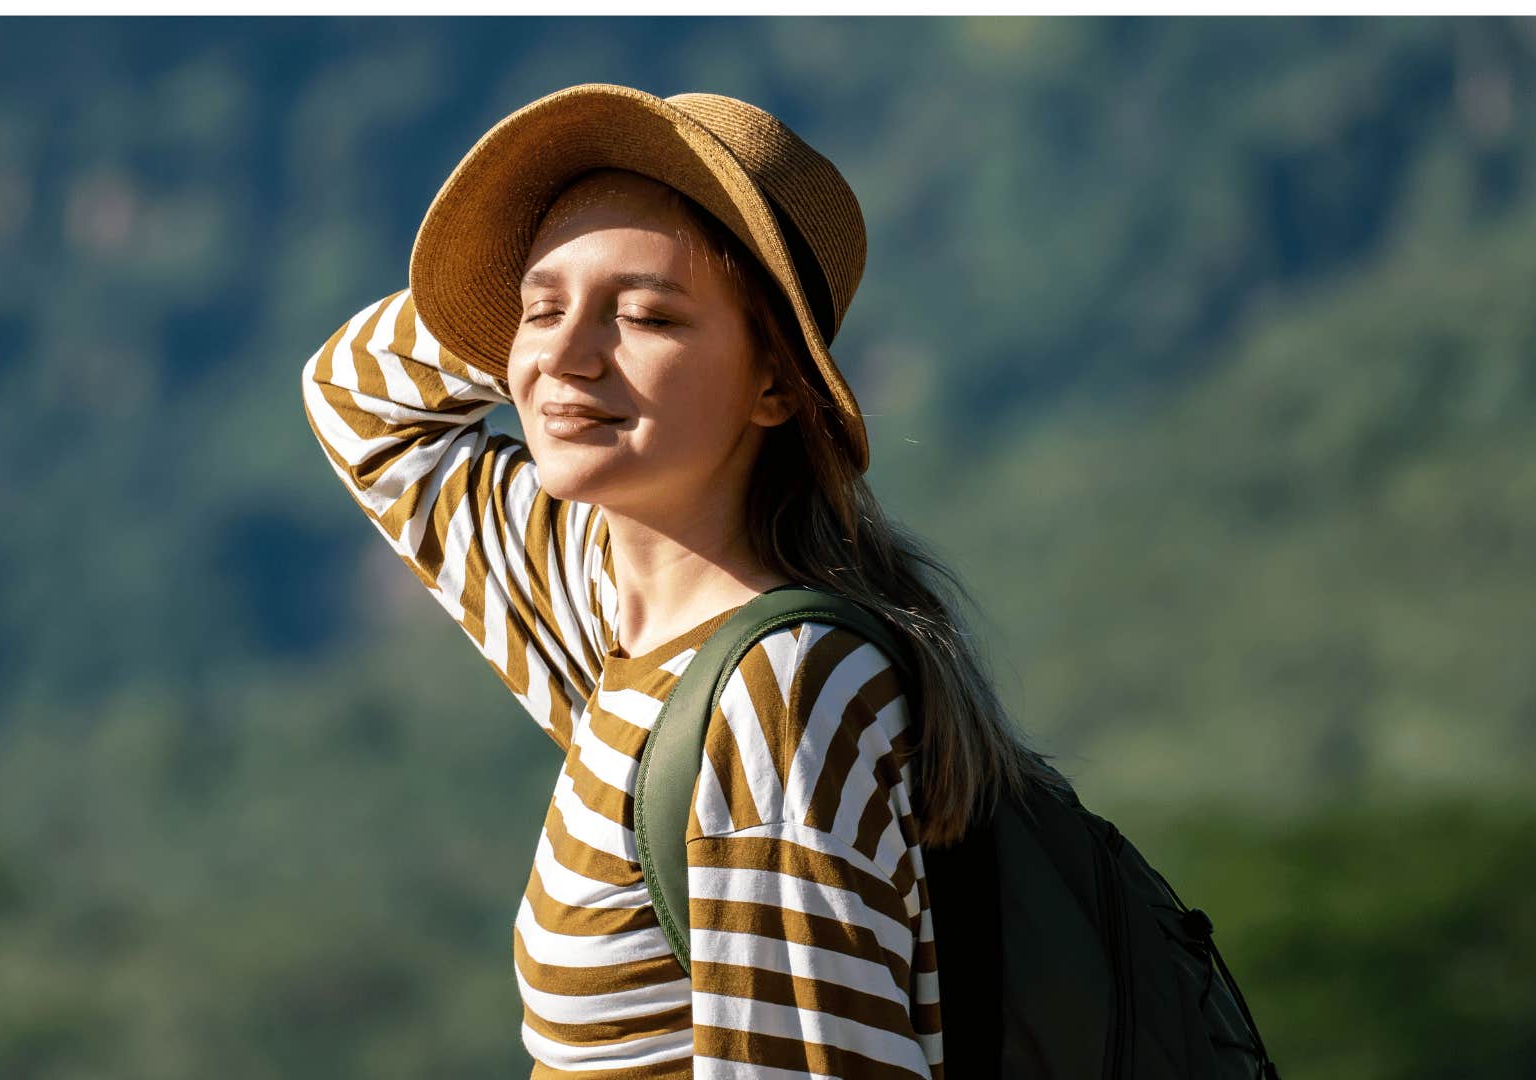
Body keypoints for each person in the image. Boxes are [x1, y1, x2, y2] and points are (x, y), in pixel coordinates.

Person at [302, 83, 1060, 1079]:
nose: (569, 355)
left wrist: (550, 326)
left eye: (648, 317)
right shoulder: (602, 603)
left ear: (777, 383)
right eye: (541, 308)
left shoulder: (778, 694)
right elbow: (356, 397)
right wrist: (530, 333)